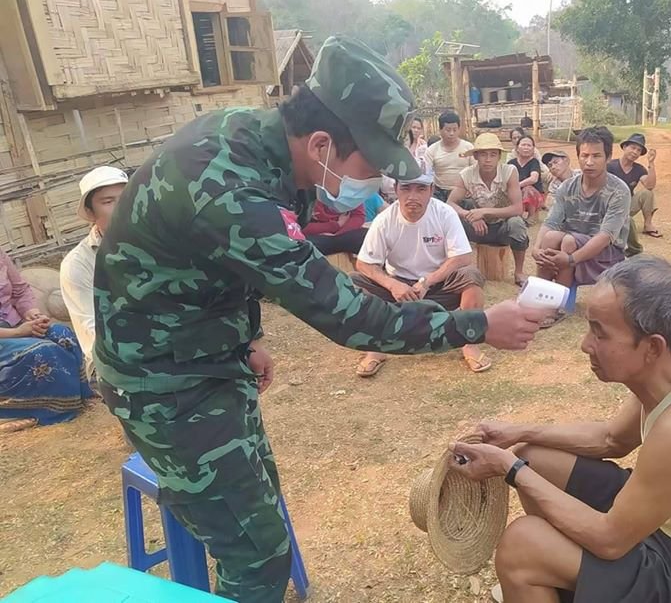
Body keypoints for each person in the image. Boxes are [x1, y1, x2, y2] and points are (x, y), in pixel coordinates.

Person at [93, 36, 546, 603]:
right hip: (163, 381)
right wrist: (477, 325)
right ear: (324, 143)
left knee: (259, 514)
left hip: (207, 352)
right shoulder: (230, 188)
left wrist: (247, 334)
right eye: (373, 164)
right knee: (257, 557)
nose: (379, 179)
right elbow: (352, 318)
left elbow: (226, 262)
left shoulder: (260, 141)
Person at [450, 256, 671, 603]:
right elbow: (612, 439)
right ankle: (557, 578)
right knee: (536, 458)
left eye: (599, 332)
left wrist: (509, 468)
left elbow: (609, 541)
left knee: (522, 548)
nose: (585, 344)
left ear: (652, 347)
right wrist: (521, 434)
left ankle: (537, 571)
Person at [352, 172, 492, 376]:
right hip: (399, 290)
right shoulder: (384, 220)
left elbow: (462, 256)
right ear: (396, 190)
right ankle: (374, 347)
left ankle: (468, 341)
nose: (413, 196)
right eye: (406, 188)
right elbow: (364, 263)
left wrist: (428, 281)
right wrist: (392, 285)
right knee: (355, 282)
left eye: (421, 189)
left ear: (432, 191)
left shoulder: (445, 213)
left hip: (438, 284)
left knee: (470, 276)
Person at [532, 127, 631, 327]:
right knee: (550, 238)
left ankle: (555, 308)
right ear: (577, 156)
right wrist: (536, 248)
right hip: (574, 247)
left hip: (606, 255)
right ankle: (538, 302)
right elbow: (551, 222)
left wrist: (570, 259)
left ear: (608, 157)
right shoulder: (568, 187)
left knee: (568, 240)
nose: (589, 162)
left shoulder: (619, 191)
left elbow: (605, 236)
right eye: (584, 155)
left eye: (596, 156)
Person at [1, 248, 94, 432]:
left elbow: (20, 290)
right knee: (44, 352)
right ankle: (44, 410)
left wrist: (32, 313)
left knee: (63, 335)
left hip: (16, 323)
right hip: (7, 335)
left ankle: (81, 397)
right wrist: (18, 332)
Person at [60, 165, 129, 379]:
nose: (121, 207)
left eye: (127, 197)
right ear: (90, 212)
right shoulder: (78, 264)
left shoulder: (161, 244)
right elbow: (93, 333)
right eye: (108, 202)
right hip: (113, 361)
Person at [447, 133, 529, 287]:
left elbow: (518, 208)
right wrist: (469, 215)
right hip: (477, 228)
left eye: (493, 154)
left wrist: (484, 212)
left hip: (503, 228)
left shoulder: (509, 171)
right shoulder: (466, 174)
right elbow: (450, 203)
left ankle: (519, 272)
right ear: (476, 156)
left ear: (499, 156)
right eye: (483, 154)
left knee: (517, 223)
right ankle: (458, 268)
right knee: (451, 221)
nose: (488, 159)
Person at [607, 133, 660, 247]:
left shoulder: (639, 169)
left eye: (639, 150)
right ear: (624, 147)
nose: (635, 152)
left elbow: (649, 185)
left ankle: (648, 224)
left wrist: (651, 163)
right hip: (609, 206)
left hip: (627, 205)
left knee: (647, 193)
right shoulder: (610, 166)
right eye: (632, 147)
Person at [424, 111, 473, 202]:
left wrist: (471, 187)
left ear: (459, 129)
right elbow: (426, 173)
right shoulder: (432, 150)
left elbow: (476, 170)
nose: (451, 133)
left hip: (464, 191)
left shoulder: (468, 147)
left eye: (455, 130)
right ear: (440, 130)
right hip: (440, 192)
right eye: (448, 130)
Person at [302, 199, 368, 257]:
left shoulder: (352, 193)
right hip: (316, 238)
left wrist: (337, 235)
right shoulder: (308, 194)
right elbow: (299, 227)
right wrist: (335, 225)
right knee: (303, 243)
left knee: (366, 236)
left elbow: (358, 216)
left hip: (343, 236)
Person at [509, 135, 545, 222]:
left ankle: (532, 216)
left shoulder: (534, 162)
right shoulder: (511, 163)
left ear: (533, 149)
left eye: (529, 145)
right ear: (517, 148)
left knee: (528, 189)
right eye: (523, 145)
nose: (526, 147)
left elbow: (533, 179)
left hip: (535, 195)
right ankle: (517, 216)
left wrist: (517, 185)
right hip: (516, 194)